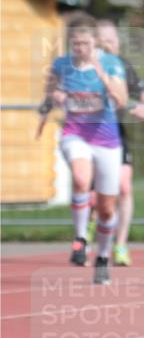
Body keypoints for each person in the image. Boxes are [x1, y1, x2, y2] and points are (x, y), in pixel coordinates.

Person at [36, 15, 128, 284]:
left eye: (85, 44)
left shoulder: (111, 63)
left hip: (106, 139)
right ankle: (80, 240)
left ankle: (103, 257)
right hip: (75, 134)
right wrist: (49, 107)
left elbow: (122, 100)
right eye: (75, 44)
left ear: (95, 42)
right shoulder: (61, 64)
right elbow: (49, 92)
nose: (80, 49)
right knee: (80, 178)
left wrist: (102, 74)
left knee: (107, 208)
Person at [96, 20, 144, 266]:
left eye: (112, 40)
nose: (109, 46)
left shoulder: (122, 65)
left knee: (124, 187)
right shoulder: (83, 66)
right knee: (93, 192)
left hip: (115, 133)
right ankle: (86, 237)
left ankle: (120, 244)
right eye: (104, 41)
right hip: (88, 134)